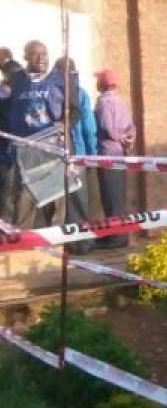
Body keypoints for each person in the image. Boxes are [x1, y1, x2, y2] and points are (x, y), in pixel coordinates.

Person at [6, 41, 70, 227]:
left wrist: (64, 124)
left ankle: (55, 247)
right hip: (25, 152)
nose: (42, 58)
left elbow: (73, 109)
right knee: (25, 200)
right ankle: (24, 248)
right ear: (25, 57)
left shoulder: (59, 79)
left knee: (56, 200)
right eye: (36, 54)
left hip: (52, 149)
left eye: (45, 54)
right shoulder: (16, 80)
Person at [53, 57, 97, 253]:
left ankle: (76, 242)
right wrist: (92, 156)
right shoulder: (80, 94)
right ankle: (80, 243)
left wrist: (92, 156)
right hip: (74, 155)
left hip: (67, 156)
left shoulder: (74, 94)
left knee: (68, 201)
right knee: (76, 201)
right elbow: (90, 129)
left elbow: (88, 128)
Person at [94, 68, 136, 249]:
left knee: (111, 197)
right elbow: (131, 128)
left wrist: (118, 137)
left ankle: (116, 238)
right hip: (121, 153)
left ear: (101, 84)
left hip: (108, 153)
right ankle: (119, 235)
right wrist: (127, 140)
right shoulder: (122, 102)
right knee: (118, 196)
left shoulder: (103, 102)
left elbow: (108, 127)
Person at [0, 58, 22, 221]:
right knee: (7, 197)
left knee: (9, 197)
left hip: (13, 154)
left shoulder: (19, 95)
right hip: (6, 154)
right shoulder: (7, 97)